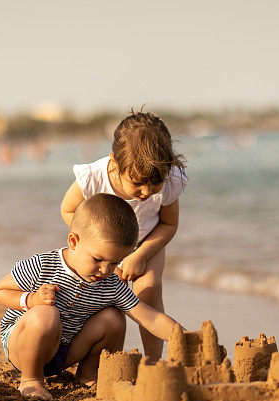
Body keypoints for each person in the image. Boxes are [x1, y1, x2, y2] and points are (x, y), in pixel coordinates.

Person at [0, 193, 182, 399]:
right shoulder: (43, 265)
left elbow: (151, 318)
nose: (105, 270)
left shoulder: (110, 284)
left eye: (114, 263)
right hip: (23, 348)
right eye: (98, 259)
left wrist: (186, 338)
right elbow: (0, 291)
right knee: (46, 315)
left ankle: (88, 372)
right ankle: (31, 380)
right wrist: (32, 300)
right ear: (74, 241)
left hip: (66, 351)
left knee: (114, 318)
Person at [60, 109, 188, 361]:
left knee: (148, 289)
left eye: (155, 183)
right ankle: (97, 360)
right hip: (102, 246)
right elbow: (68, 208)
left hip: (146, 242)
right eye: (138, 183)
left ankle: (153, 361)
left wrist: (139, 255)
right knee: (103, 300)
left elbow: (169, 225)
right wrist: (94, 244)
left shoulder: (170, 180)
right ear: (115, 164)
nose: (147, 191)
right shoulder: (94, 177)